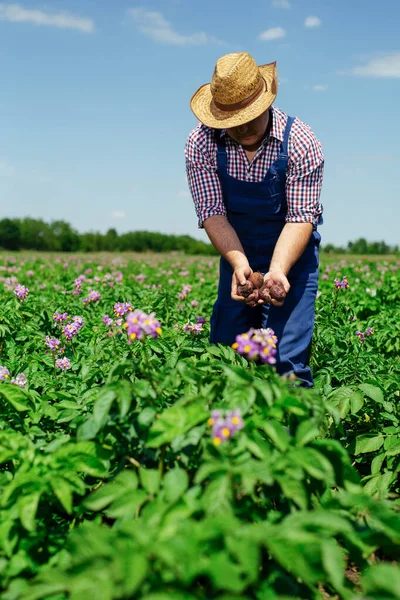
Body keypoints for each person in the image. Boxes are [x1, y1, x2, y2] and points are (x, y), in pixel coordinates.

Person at [185, 52, 324, 387]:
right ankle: (230, 434)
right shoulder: (200, 143)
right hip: (238, 250)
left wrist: (277, 270)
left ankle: (293, 438)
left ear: (266, 103)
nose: (243, 126)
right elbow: (213, 214)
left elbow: (301, 218)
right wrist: (238, 264)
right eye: (231, 120)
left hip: (293, 255)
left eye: (249, 115)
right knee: (225, 355)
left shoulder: (301, 142)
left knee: (286, 362)